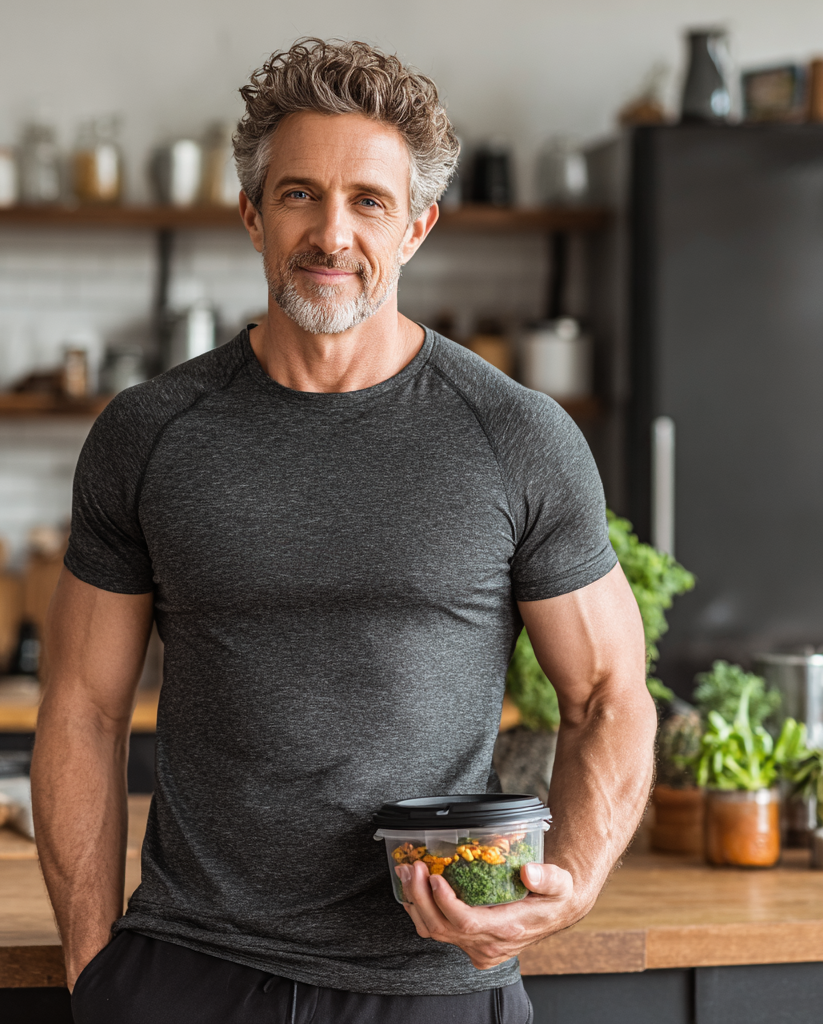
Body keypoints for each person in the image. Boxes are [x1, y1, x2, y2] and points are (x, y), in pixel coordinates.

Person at [32, 37, 654, 1024]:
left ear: (415, 226)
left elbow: (610, 695)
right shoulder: (149, 433)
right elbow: (82, 710)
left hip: (431, 983)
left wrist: (568, 883)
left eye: (367, 200)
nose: (331, 232)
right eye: (297, 195)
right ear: (250, 213)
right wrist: (94, 969)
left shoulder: (515, 436)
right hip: (190, 970)